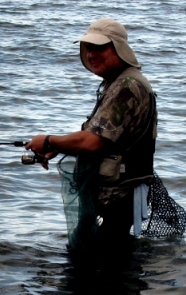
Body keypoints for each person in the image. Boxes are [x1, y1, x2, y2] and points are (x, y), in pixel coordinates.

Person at [25, 18, 157, 248]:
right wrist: (58, 146)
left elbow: (93, 142)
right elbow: (107, 140)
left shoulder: (126, 86)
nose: (91, 54)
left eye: (99, 47)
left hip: (118, 200)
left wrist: (47, 140)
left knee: (102, 269)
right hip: (117, 198)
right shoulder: (119, 82)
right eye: (89, 48)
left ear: (118, 49)